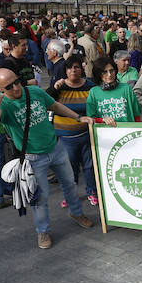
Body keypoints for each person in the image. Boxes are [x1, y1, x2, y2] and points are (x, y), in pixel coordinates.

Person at [0, 68, 94, 249]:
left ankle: (76, 213)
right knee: (40, 197)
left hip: (56, 147)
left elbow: (55, 105)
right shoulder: (3, 105)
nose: (16, 87)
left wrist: (78, 117)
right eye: (9, 87)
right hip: (33, 157)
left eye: (17, 81)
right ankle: (43, 231)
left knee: (70, 183)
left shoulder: (33, 91)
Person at [49, 55, 98, 207]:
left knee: (89, 166)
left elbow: (95, 106)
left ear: (81, 68)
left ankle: (92, 192)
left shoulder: (90, 86)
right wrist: (54, 88)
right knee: (70, 168)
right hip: (65, 137)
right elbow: (46, 101)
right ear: (65, 70)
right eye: (69, 68)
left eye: (76, 67)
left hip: (86, 134)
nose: (73, 70)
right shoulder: (59, 86)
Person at [86, 56, 141, 125]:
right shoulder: (93, 92)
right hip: (105, 133)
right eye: (104, 72)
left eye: (111, 71)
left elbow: (137, 115)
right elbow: (90, 118)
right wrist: (102, 120)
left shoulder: (126, 88)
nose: (109, 75)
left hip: (128, 132)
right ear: (98, 74)